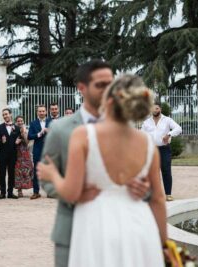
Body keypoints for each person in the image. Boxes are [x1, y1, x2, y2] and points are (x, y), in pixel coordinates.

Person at [38, 74, 167, 267]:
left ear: (109, 100)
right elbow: (158, 199)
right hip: (140, 226)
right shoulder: (147, 142)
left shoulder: (83, 135)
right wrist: (163, 244)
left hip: (95, 225)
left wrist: (53, 176)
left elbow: (71, 192)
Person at [142, 102, 182, 201]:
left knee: (166, 171)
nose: (154, 110)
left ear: (160, 109)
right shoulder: (147, 122)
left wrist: (169, 134)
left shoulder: (167, 120)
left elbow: (178, 129)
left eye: (156, 108)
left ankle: (168, 194)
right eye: (152, 108)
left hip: (164, 149)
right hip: (152, 150)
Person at [0, 108, 21, 199]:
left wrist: (18, 142)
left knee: (11, 174)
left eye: (6, 114)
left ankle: (10, 192)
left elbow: (18, 139)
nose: (5, 116)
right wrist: (1, 141)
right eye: (3, 115)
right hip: (2, 154)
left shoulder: (16, 128)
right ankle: (2, 193)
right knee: (2, 174)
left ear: (10, 114)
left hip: (13, 154)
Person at [28, 105, 51, 199]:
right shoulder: (33, 123)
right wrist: (39, 134)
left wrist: (49, 131)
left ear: (46, 112)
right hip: (37, 150)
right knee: (36, 171)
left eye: (43, 111)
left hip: (49, 150)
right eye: (39, 111)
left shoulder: (51, 121)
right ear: (37, 112)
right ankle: (36, 192)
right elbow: (29, 136)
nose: (41, 113)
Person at [14, 115, 33, 197]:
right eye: (18, 121)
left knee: (28, 169)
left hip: (25, 153)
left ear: (23, 122)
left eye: (21, 121)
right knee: (17, 171)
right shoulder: (13, 130)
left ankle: (30, 187)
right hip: (16, 153)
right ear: (16, 122)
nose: (20, 122)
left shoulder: (26, 131)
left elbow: (27, 142)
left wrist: (23, 133)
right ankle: (19, 190)